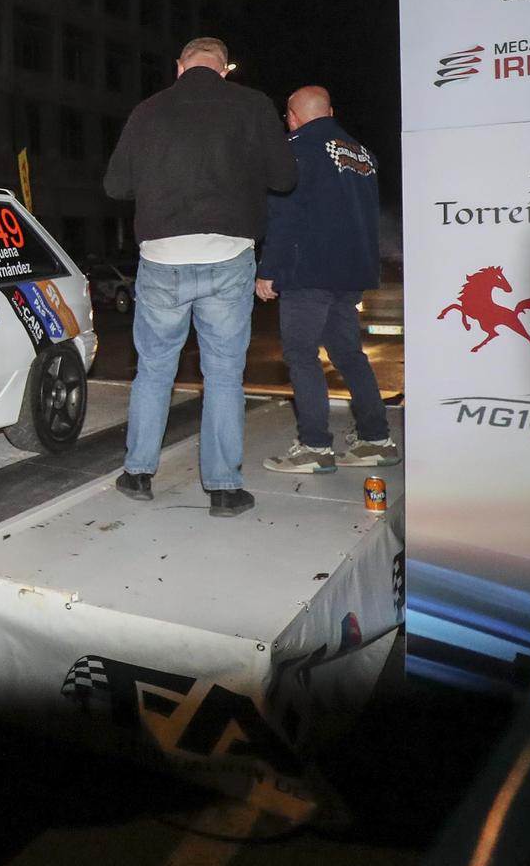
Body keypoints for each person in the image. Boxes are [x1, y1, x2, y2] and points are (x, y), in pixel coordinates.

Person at [102, 37, 297, 519]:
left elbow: (114, 185)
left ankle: (138, 473)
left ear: (180, 66)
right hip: (228, 255)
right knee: (225, 372)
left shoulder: (147, 111)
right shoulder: (252, 105)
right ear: (225, 68)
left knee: (154, 368)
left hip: (162, 257)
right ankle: (225, 489)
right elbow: (284, 179)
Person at [257, 86, 398, 474]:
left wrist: (269, 269)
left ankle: (315, 448)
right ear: (331, 112)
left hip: (310, 272)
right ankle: (376, 440)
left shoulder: (296, 148)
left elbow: (285, 214)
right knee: (349, 354)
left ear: (292, 116)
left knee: (301, 356)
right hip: (351, 271)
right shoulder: (362, 153)